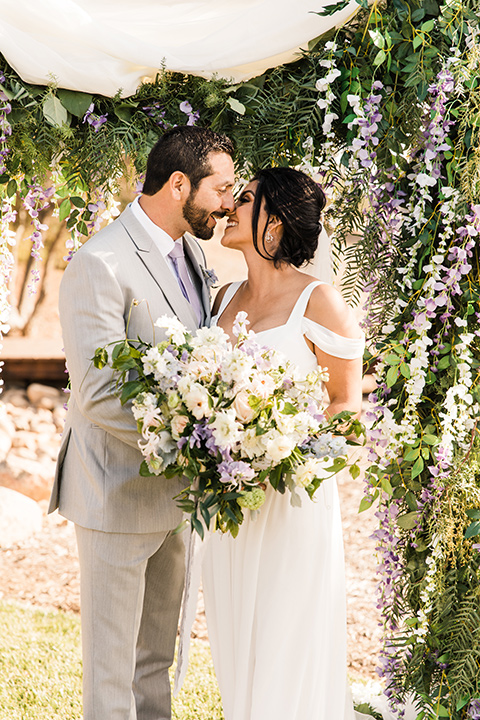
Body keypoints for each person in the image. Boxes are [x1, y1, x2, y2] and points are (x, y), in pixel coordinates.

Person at [48, 125, 235, 720]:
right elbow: (100, 392)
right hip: (116, 493)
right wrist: (197, 440)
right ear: (180, 186)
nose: (228, 203)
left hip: (176, 498)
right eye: (221, 188)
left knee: (154, 661)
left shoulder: (192, 252)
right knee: (112, 671)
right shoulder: (99, 263)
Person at [202, 166, 368, 720]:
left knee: (284, 646)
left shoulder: (318, 302)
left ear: (273, 223)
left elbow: (346, 406)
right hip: (231, 505)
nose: (230, 207)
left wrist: (290, 454)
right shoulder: (221, 299)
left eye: (244, 199)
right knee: (237, 643)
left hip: (290, 503)